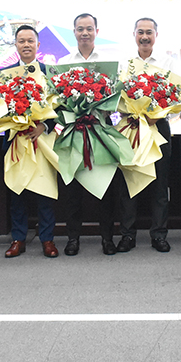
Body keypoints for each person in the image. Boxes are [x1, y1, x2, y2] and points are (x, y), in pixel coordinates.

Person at [116, 17, 181, 254]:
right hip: (131, 127)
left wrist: (159, 113)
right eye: (140, 32)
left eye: (149, 32)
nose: (145, 36)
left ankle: (159, 235)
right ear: (134, 34)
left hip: (158, 127)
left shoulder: (168, 62)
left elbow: (177, 95)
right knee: (129, 183)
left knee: (159, 183)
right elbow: (114, 97)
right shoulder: (124, 63)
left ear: (156, 35)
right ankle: (127, 235)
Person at [57, 13, 120, 255]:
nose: (85, 33)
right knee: (72, 189)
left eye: (89, 28)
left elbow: (116, 99)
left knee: (105, 187)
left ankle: (107, 238)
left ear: (96, 31)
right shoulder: (64, 62)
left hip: (100, 131)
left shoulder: (108, 62)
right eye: (80, 29)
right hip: (73, 133)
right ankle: (73, 238)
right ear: (73, 32)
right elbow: (58, 101)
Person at [0, 25, 59, 259]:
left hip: (41, 140)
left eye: (30, 41)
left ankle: (47, 239)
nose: (26, 45)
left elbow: (60, 107)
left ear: (38, 45)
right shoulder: (5, 74)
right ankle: (18, 238)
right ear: (15, 45)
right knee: (17, 191)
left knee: (44, 191)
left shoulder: (49, 73)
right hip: (16, 141)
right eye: (21, 41)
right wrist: (15, 123)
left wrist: (44, 126)